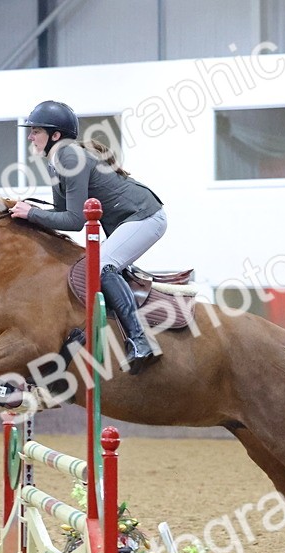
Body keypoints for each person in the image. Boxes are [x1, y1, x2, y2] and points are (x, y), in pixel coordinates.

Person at [10, 100, 167, 375]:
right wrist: (30, 214)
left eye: (36, 131)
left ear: (55, 135)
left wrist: (32, 214)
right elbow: (61, 213)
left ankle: (141, 342)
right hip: (127, 220)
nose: (30, 136)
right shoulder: (56, 161)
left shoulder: (69, 156)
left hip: (146, 216)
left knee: (100, 265)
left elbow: (74, 220)